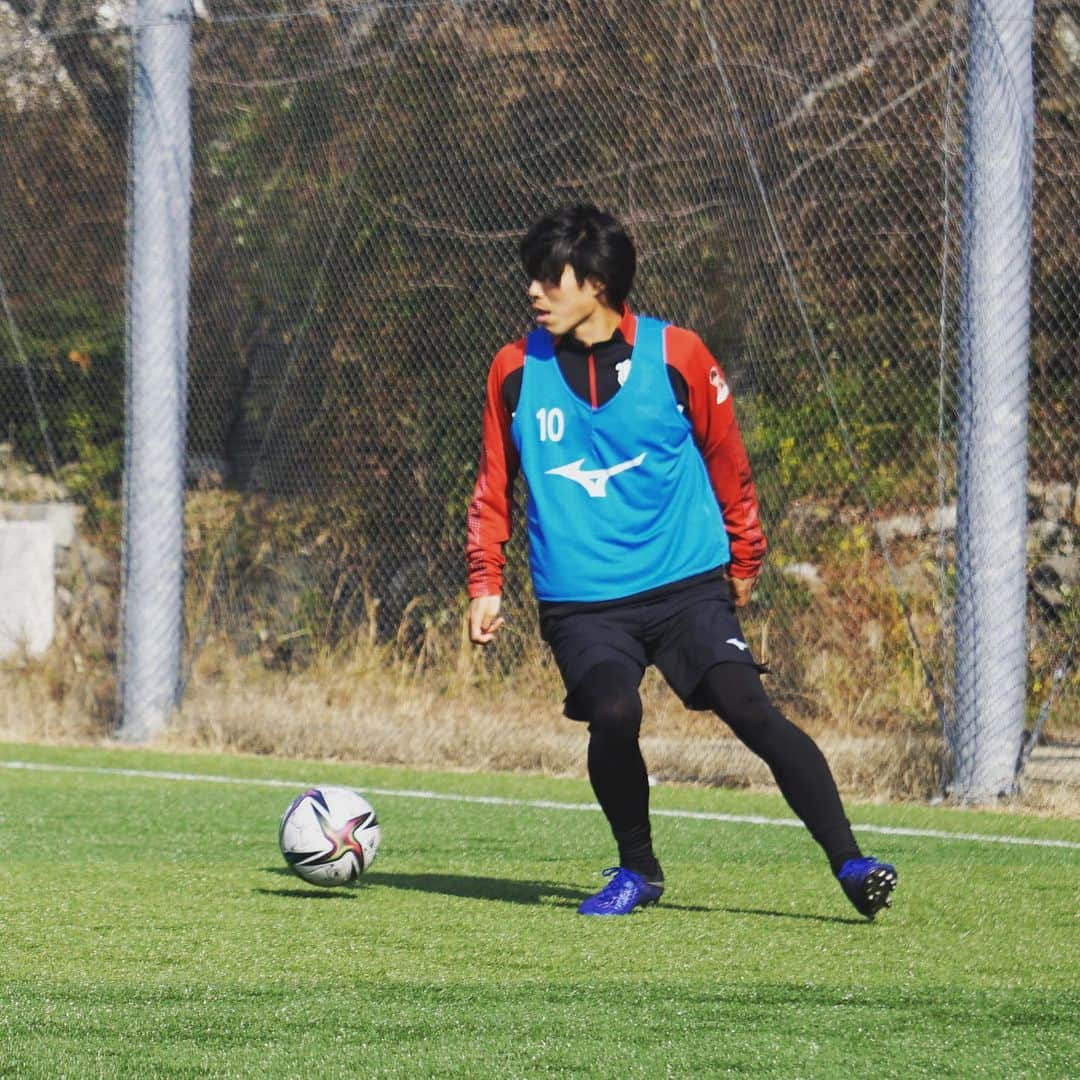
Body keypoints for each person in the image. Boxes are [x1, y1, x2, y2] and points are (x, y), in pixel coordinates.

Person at [466, 204, 897, 919]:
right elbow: (491, 486)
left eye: (550, 278)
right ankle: (638, 870)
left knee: (747, 706)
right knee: (612, 709)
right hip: (583, 603)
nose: (534, 292)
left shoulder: (679, 356)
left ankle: (852, 862)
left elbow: (729, 461)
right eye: (532, 278)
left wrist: (746, 555)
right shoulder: (513, 369)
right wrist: (486, 581)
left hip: (685, 586)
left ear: (597, 284)